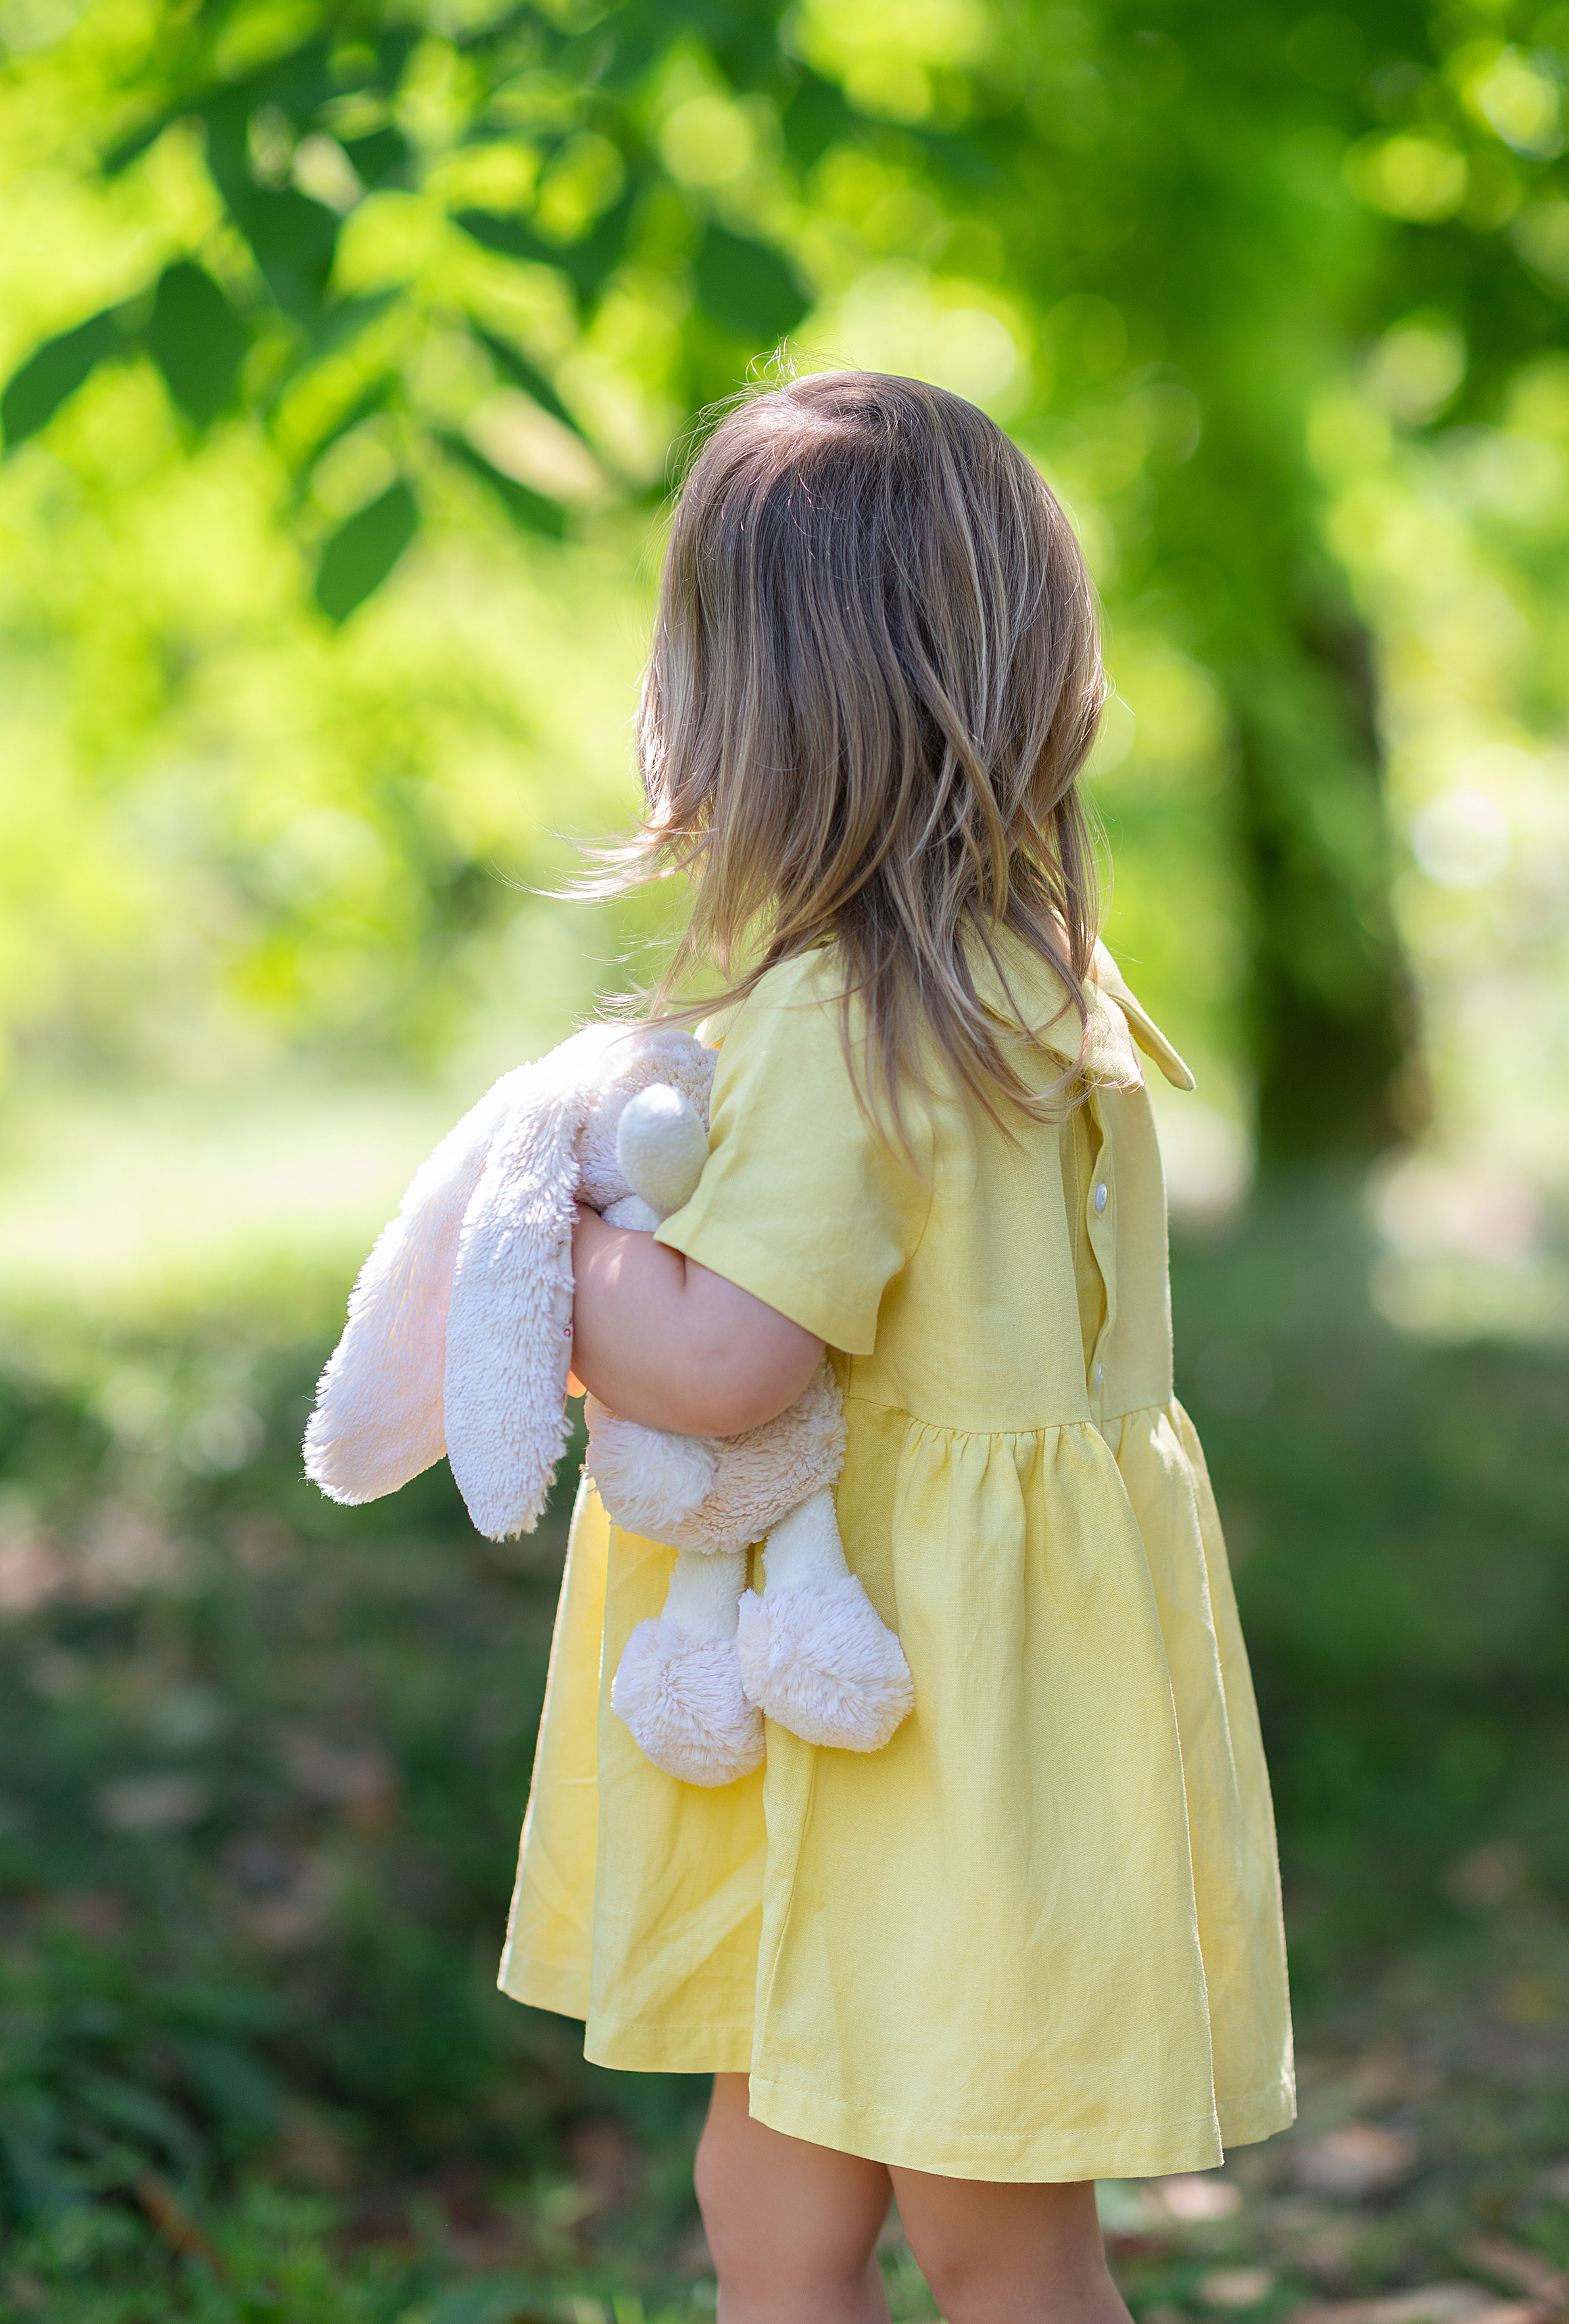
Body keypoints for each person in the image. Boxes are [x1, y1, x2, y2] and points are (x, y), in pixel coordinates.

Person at [498, 370, 1293, 2323]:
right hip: (946, 1686)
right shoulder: (1028, 980)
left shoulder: (838, 1033)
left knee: (978, 2221)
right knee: (797, 2174)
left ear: (745, 712)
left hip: (916, 1700)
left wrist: (542, 1238)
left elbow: (723, 1366)